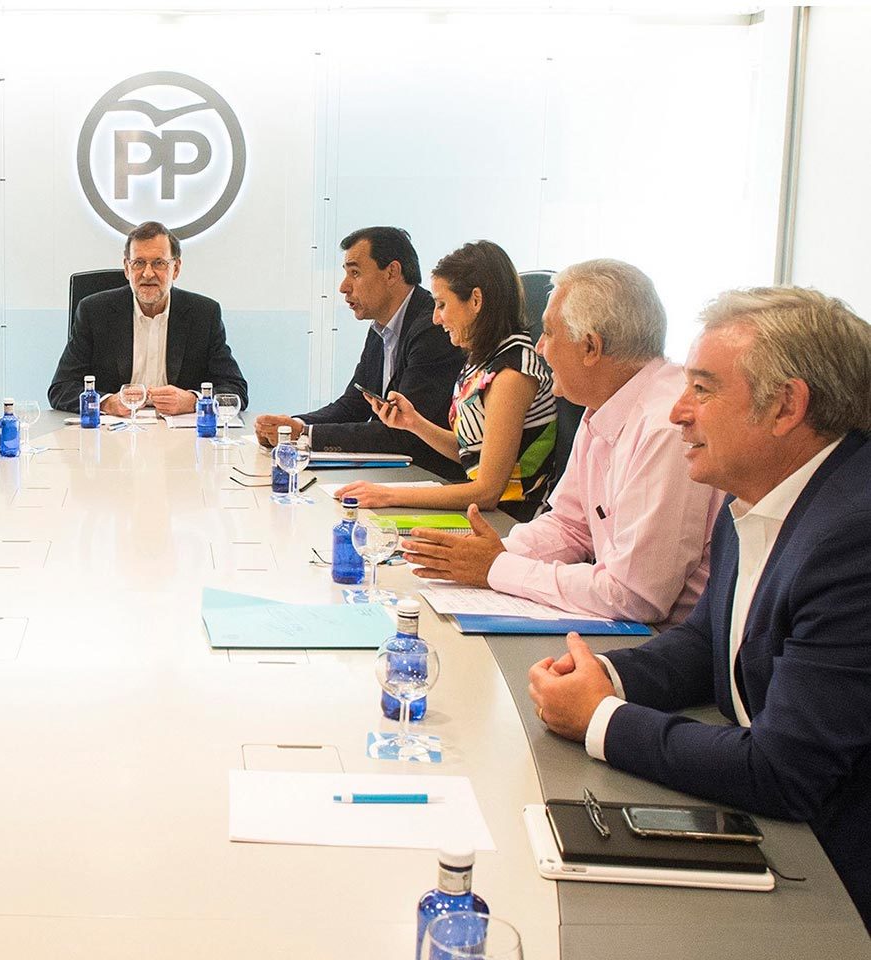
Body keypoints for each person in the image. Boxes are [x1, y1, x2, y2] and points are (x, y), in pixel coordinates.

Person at [527, 286, 871, 930]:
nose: (678, 411)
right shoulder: (756, 497)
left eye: (704, 389)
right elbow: (709, 642)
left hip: (837, 886)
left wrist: (601, 720)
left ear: (787, 406)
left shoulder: (854, 537)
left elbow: (783, 771)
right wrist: (610, 677)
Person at [402, 259, 724, 627]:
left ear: (590, 347)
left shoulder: (664, 427)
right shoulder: (602, 405)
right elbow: (571, 526)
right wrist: (483, 554)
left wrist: (498, 567)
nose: (539, 348)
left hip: (658, 645)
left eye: (549, 333)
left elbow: (634, 596)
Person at [335, 240, 557, 521]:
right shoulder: (482, 362)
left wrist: (389, 494)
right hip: (486, 514)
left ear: (475, 300)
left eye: (442, 304)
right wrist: (414, 424)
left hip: (511, 521)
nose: (436, 318)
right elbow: (473, 452)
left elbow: (487, 491)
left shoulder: (511, 374)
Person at [254, 226, 464, 477]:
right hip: (396, 473)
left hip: (431, 476)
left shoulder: (433, 328)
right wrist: (292, 427)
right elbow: (353, 405)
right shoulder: (380, 328)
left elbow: (402, 433)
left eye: (355, 273)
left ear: (392, 273)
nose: (343, 287)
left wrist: (305, 435)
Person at [46, 220, 248, 415]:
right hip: (113, 434)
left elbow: (235, 391)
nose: (148, 273)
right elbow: (61, 388)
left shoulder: (203, 314)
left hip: (181, 437)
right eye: (139, 263)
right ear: (127, 268)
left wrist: (194, 401)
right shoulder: (94, 311)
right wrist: (106, 402)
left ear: (175, 269)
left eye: (159, 263)